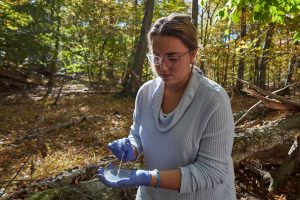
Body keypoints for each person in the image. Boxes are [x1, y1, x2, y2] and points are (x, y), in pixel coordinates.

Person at [97, 13, 236, 200]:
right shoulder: (146, 93)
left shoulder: (213, 99)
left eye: (172, 58)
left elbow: (211, 172)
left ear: (193, 54)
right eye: (156, 57)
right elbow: (138, 132)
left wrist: (149, 177)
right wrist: (132, 147)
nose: (162, 67)